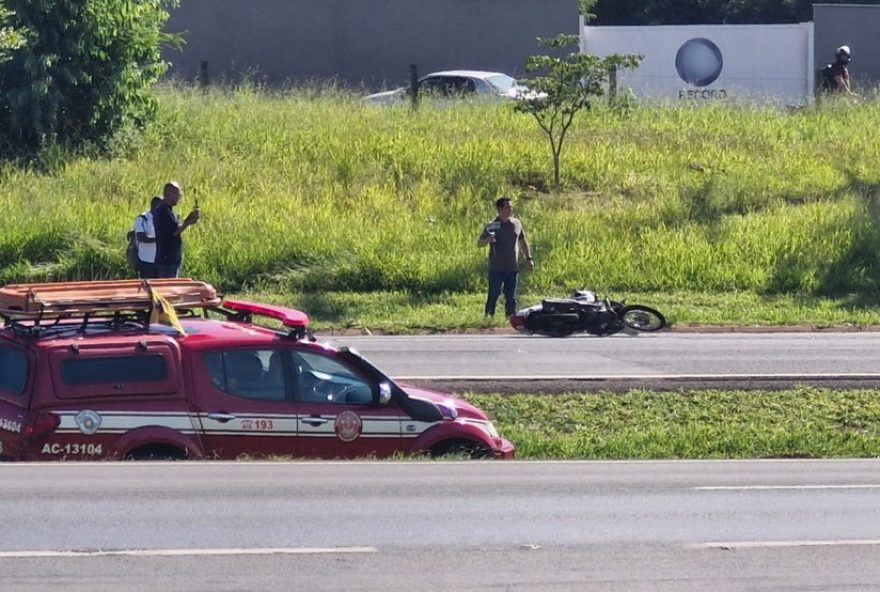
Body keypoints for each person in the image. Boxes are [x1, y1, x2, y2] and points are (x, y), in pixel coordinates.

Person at [477, 196, 534, 317]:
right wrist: (488, 239)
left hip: (512, 268)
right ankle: (488, 317)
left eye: (511, 207)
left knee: (511, 297)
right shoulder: (492, 225)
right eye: (507, 207)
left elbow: (523, 241)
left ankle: (511, 320)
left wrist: (528, 258)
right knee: (494, 294)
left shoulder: (516, 224)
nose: (510, 209)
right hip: (496, 268)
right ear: (499, 209)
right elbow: (479, 243)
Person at [153, 181, 200, 278]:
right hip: (167, 261)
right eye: (177, 194)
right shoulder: (163, 211)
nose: (179, 197)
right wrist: (188, 221)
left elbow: (176, 227)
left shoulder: (168, 210)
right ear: (169, 193)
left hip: (170, 260)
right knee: (168, 290)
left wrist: (189, 219)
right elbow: (174, 231)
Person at [133, 196, 162, 279]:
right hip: (146, 260)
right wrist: (159, 239)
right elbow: (141, 237)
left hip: (160, 261)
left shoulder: (162, 218)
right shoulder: (142, 219)